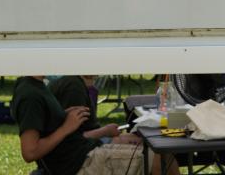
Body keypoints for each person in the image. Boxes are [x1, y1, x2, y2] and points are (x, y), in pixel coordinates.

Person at [11, 75, 174, 175]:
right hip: (79, 164)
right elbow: (30, 152)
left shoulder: (36, 86)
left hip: (83, 153)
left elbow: (46, 125)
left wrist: (63, 116)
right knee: (163, 159)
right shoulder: (31, 95)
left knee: (161, 154)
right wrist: (66, 126)